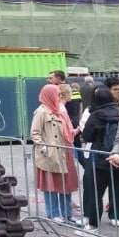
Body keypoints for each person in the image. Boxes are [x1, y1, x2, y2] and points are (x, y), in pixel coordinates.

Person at [30, 84, 79, 224]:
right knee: (51, 185)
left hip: (65, 151)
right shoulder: (41, 112)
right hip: (51, 154)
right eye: (57, 94)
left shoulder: (59, 110)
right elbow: (35, 133)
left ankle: (67, 214)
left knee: (67, 184)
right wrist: (45, 148)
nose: (59, 97)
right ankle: (53, 214)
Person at [82, 86, 119, 229]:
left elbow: (87, 136)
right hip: (118, 158)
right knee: (117, 187)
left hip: (99, 158)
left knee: (95, 191)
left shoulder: (96, 114)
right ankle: (117, 217)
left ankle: (93, 225)